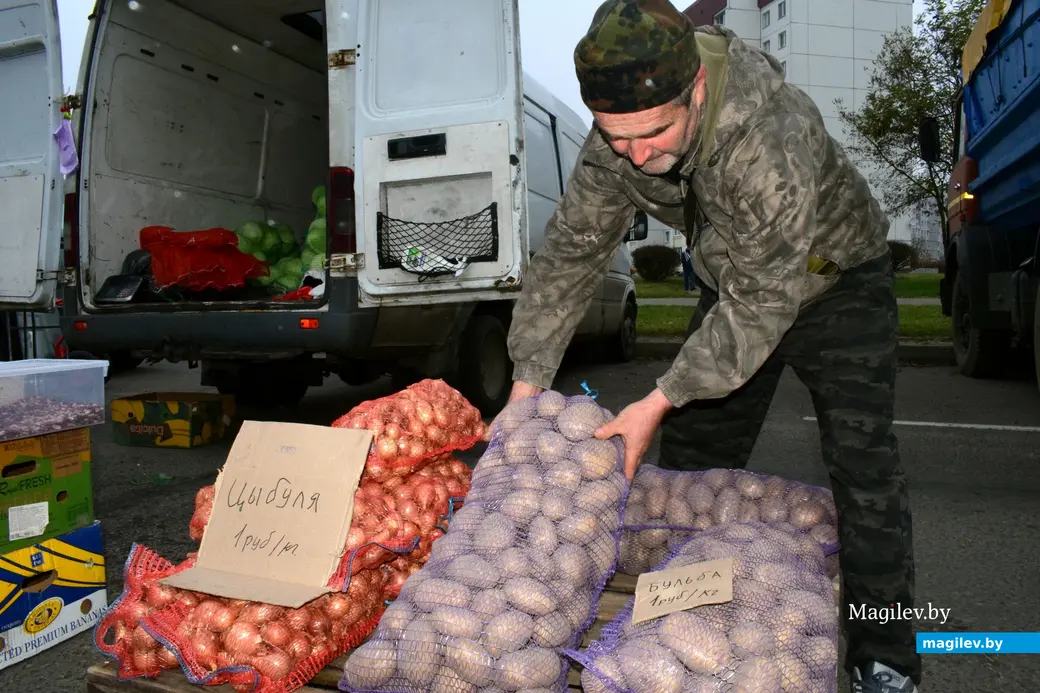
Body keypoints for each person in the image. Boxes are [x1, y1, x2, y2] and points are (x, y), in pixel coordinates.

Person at [488, 1, 920, 691]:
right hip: (734, 285)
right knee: (687, 477)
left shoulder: (768, 135)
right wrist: (526, 383)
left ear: (695, 90)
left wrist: (659, 399)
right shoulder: (618, 138)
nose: (636, 155)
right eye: (617, 138)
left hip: (837, 285)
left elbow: (763, 302)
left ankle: (886, 657)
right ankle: (681, 636)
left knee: (864, 476)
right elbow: (571, 254)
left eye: (653, 134)